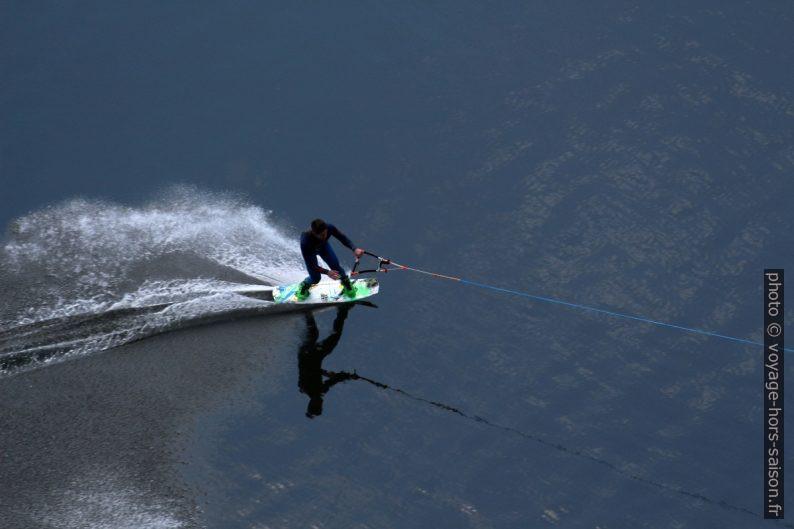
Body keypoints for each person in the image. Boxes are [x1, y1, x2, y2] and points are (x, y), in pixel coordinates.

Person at [298, 305, 356, 418]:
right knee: (335, 337)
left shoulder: (305, 388)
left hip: (306, 355)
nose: (320, 402)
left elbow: (310, 371)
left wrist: (328, 374)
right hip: (316, 356)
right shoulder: (320, 391)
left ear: (311, 403)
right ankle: (342, 310)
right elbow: (333, 381)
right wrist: (347, 376)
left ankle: (305, 310)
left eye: (317, 404)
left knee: (313, 334)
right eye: (320, 405)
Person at [297, 218, 364, 299]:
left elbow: (342, 237)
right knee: (316, 279)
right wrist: (327, 272)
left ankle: (345, 283)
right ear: (314, 233)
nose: (324, 236)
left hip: (323, 247)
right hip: (311, 252)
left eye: (325, 233)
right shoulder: (305, 242)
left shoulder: (329, 227)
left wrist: (354, 249)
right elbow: (312, 265)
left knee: (336, 266)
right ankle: (304, 285)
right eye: (321, 235)